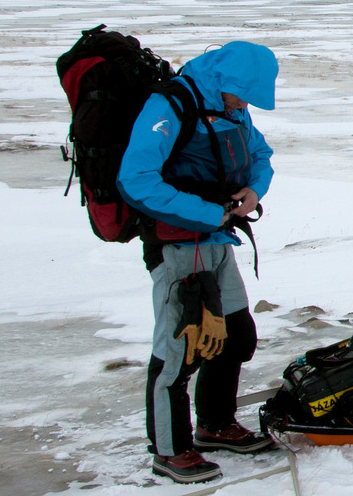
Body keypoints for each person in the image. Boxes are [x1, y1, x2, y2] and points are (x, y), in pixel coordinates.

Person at [117, 41, 278, 484]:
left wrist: (254, 191)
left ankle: (214, 425)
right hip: (177, 248)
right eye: (241, 95)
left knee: (235, 334)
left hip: (216, 240)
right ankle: (169, 451)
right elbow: (136, 179)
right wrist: (210, 213)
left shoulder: (230, 108)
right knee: (178, 349)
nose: (244, 105)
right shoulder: (170, 106)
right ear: (224, 80)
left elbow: (260, 155)